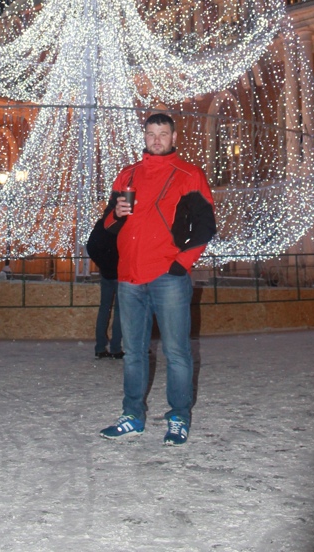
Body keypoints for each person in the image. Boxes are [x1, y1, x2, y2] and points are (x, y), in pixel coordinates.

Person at [99, 112, 216, 446]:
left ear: (174, 138)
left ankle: (178, 416)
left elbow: (206, 227)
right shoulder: (127, 175)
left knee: (176, 352)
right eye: (151, 134)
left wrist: (180, 264)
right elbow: (108, 224)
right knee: (133, 352)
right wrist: (115, 214)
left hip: (168, 277)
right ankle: (132, 415)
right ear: (145, 137)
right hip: (130, 277)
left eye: (163, 134)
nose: (157, 140)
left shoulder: (190, 175)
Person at [86, 216, 123, 358]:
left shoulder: (102, 224)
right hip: (120, 273)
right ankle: (115, 347)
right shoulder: (123, 225)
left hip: (106, 273)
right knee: (120, 311)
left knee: (104, 308)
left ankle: (100, 347)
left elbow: (91, 247)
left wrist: (102, 263)